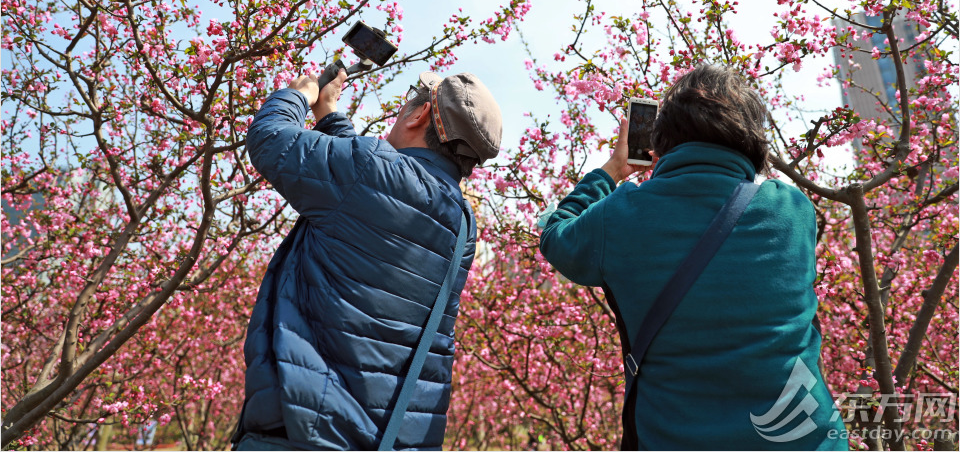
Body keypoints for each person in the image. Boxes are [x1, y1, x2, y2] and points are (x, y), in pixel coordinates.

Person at [539, 64, 847, 450]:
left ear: (660, 141)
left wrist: (614, 170)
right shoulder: (792, 210)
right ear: (751, 140)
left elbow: (554, 234)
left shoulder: (619, 217)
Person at [235, 68, 502, 450]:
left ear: (418, 115)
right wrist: (329, 117)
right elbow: (368, 184)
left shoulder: (370, 172)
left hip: (307, 428)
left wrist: (299, 95)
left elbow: (270, 139)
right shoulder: (462, 221)